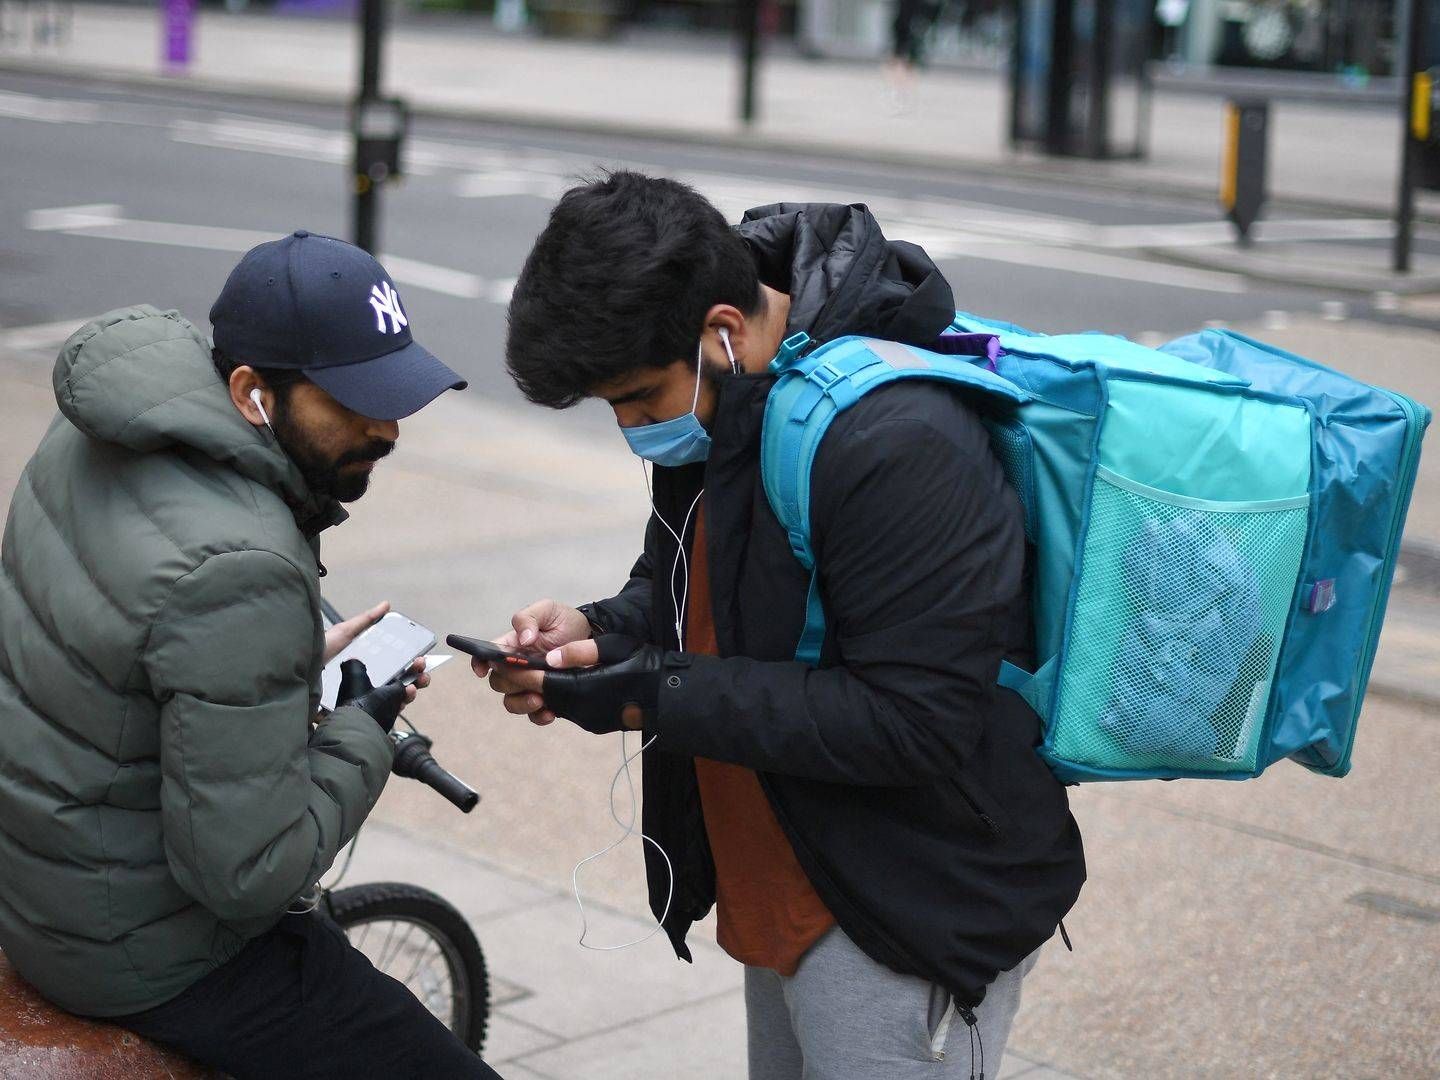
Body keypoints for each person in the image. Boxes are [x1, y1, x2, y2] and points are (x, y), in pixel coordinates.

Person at [479, 173, 1086, 1078]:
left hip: (902, 904)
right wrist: (596, 635)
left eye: (640, 398)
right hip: (788, 871)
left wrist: (652, 692)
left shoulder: (899, 439)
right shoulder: (728, 395)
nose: (633, 428)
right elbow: (693, 581)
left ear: (723, 327)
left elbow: (914, 721)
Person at [0, 231, 501, 1079]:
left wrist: (272, 660)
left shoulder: (105, 427)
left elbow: (126, 639)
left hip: (45, 871)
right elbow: (248, 874)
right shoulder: (243, 564)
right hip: (137, 946)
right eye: (353, 402)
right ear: (250, 392)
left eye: (395, 397)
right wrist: (361, 733)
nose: (386, 429)